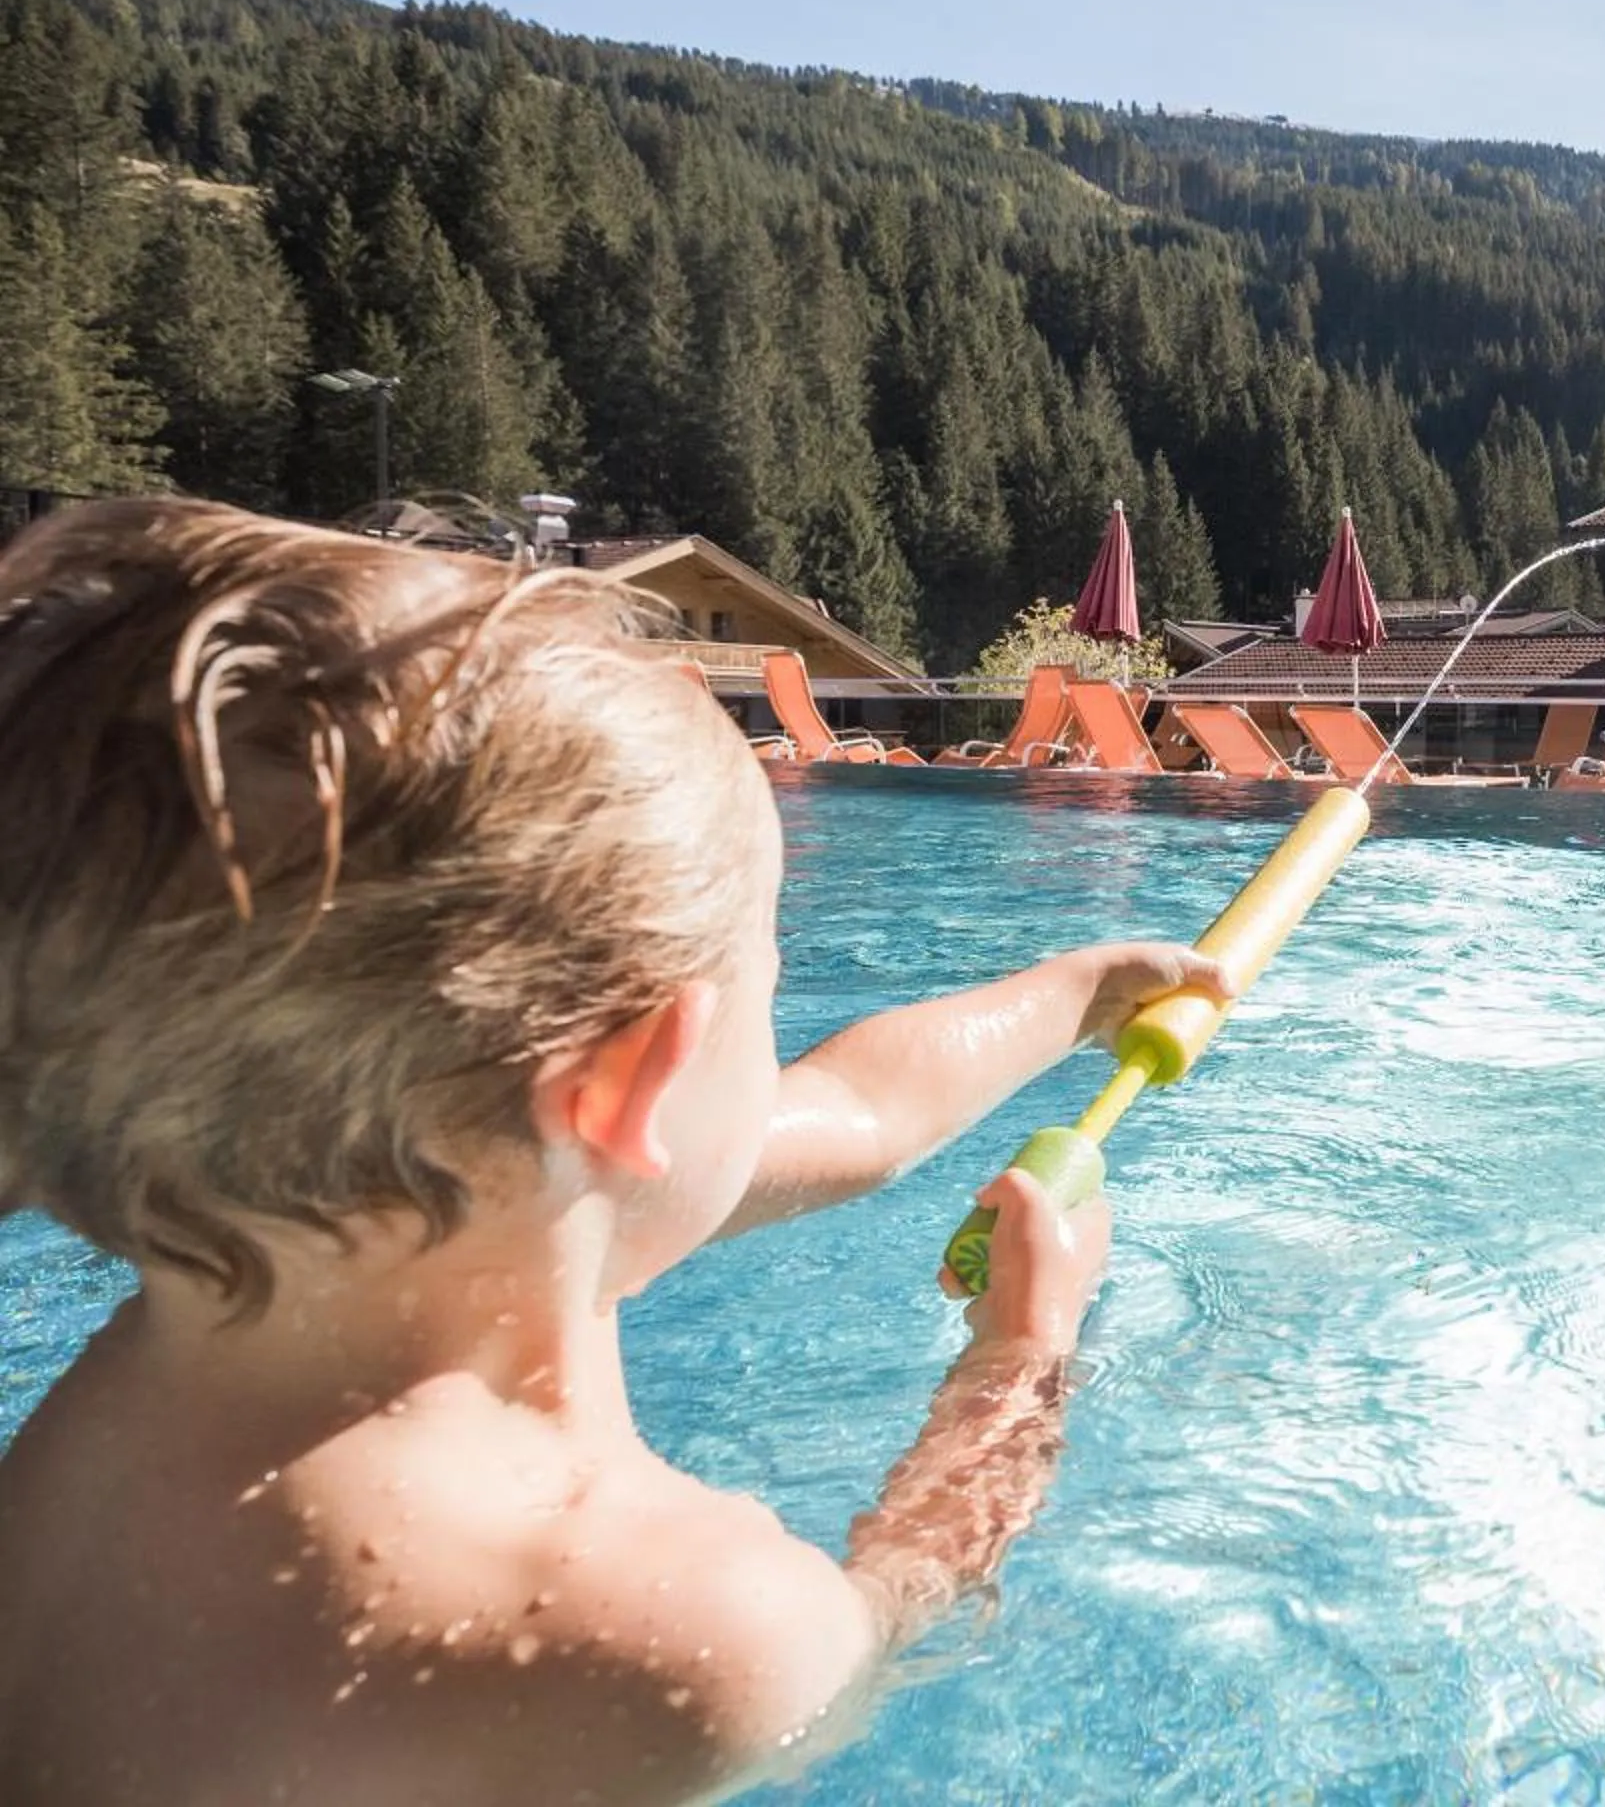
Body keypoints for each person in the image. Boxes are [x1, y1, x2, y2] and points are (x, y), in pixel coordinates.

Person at [0, 500, 1236, 1806]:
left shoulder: (213, 1286)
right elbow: (883, 1624)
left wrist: (1068, 994)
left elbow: (862, 1116)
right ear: (629, 1077)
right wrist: (1022, 1356)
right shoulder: (660, 1623)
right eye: (771, 973)